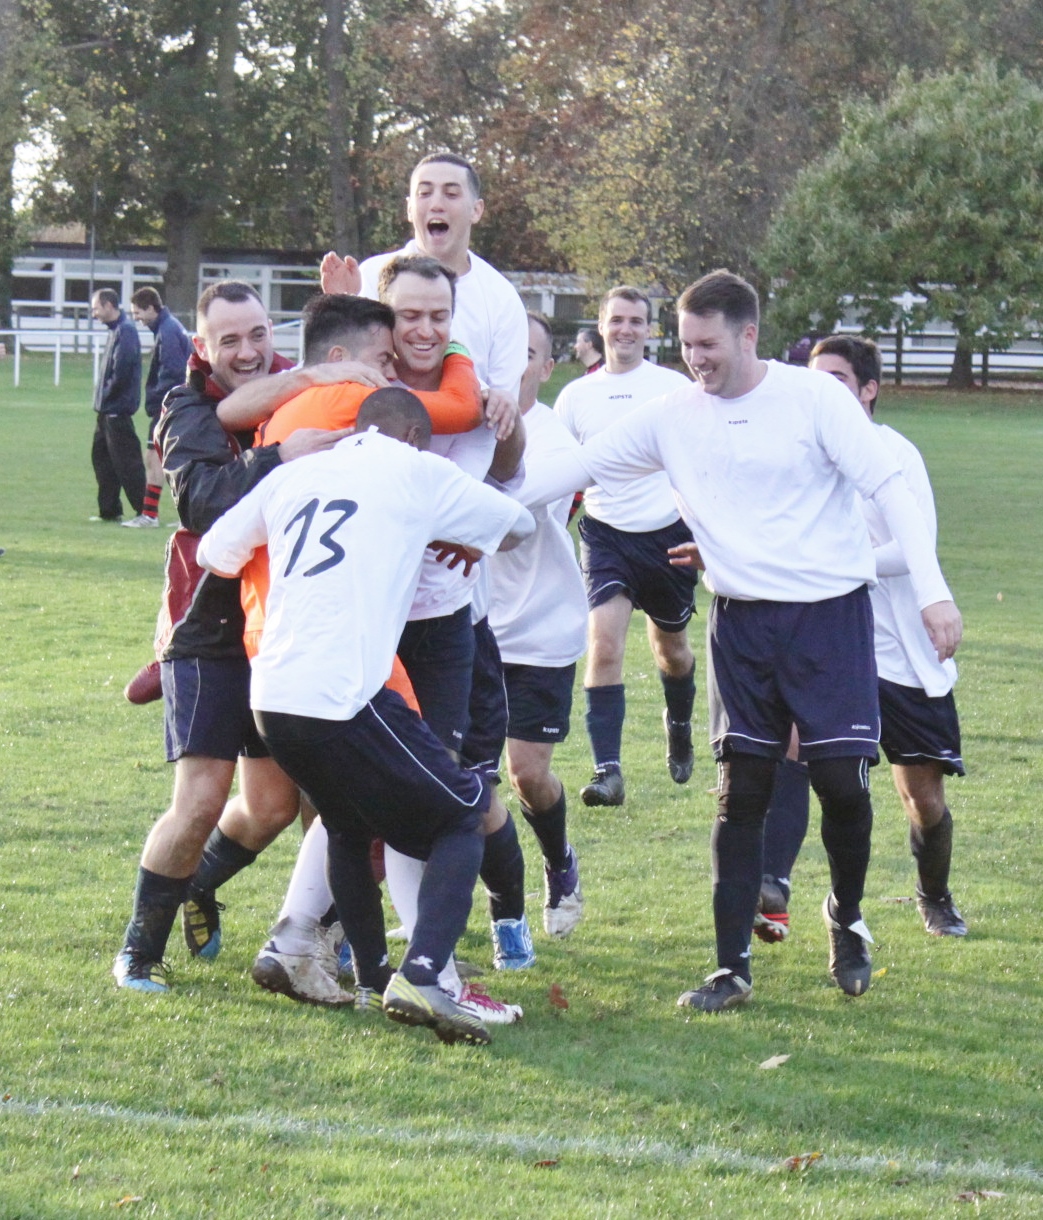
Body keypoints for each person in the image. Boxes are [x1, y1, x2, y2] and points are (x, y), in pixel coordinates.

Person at [522, 269, 962, 1010]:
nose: (696, 359)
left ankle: (845, 918)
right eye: (686, 345)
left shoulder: (813, 398)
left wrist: (933, 593)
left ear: (747, 334)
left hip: (829, 618)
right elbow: (575, 468)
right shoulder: (673, 414)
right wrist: (465, 507)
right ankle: (729, 968)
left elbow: (889, 488)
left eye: (709, 344)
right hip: (743, 624)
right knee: (741, 794)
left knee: (841, 788)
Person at [196, 389, 536, 1044]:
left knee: (347, 824)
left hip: (271, 693)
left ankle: (378, 978)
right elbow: (516, 523)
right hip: (344, 692)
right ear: (413, 433)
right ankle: (428, 972)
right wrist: (445, 528)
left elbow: (216, 551)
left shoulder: (297, 474)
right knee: (463, 811)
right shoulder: (417, 469)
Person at [112, 280, 365, 994]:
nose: (247, 350)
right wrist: (283, 456)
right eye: (230, 339)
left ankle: (278, 919)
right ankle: (138, 950)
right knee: (199, 799)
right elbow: (203, 498)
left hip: (287, 629)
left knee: (278, 805)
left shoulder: (295, 391)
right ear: (203, 347)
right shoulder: (184, 405)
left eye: (257, 334)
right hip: (209, 631)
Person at [807, 336, 966, 936]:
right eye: (816, 379)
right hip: (835, 649)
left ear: (869, 390)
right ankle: (836, 907)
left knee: (921, 797)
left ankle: (935, 895)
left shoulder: (896, 454)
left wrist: (845, 564)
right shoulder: (804, 452)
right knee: (840, 788)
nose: (825, 390)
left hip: (904, 653)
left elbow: (915, 547)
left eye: (839, 380)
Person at [554, 286, 696, 807]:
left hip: (667, 536)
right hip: (606, 533)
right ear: (601, 326)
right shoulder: (575, 397)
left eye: (637, 321)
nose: (627, 330)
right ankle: (607, 770)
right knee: (605, 644)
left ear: (651, 329)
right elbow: (565, 474)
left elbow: (697, 461)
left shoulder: (672, 388)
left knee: (671, 650)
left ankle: (678, 721)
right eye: (617, 320)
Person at [487, 313, 587, 936]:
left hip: (541, 630)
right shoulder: (459, 428)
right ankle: (479, 909)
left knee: (527, 774)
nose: (518, 364)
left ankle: (559, 859)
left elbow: (515, 511)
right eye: (508, 351)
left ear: (547, 368)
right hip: (465, 625)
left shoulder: (552, 437)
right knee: (462, 778)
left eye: (530, 354)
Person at [127, 287, 193, 528]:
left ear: (151, 308)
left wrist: (158, 400)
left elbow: (174, 372)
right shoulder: (168, 327)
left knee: (158, 458)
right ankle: (158, 515)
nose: (136, 318)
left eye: (138, 312)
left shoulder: (167, 331)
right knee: (159, 457)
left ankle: (151, 516)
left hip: (170, 406)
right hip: (174, 404)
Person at [89, 289, 146, 523]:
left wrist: (107, 396)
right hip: (105, 411)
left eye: (96, 308)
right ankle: (110, 511)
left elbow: (121, 372)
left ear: (109, 305)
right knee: (102, 460)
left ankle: (145, 512)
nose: (94, 314)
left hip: (116, 410)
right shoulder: (116, 331)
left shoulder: (126, 331)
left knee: (127, 463)